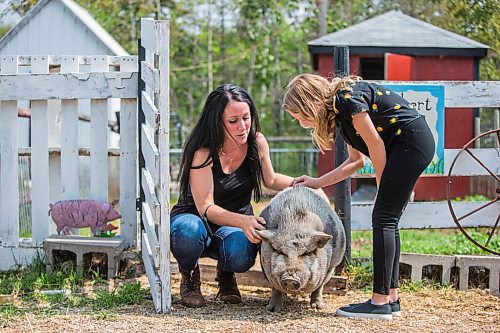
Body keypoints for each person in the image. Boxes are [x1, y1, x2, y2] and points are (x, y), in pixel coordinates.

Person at [283, 74, 435, 320]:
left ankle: (379, 302)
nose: (301, 122)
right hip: (408, 144)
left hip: (410, 142)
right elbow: (356, 162)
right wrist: (317, 182)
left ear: (309, 102)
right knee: (388, 220)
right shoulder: (342, 116)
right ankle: (391, 297)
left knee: (383, 218)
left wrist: (381, 186)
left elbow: (376, 144)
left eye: (299, 115)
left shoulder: (346, 98)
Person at [170, 83, 295, 308]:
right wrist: (244, 221)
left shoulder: (257, 143)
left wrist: (304, 184)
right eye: (233, 121)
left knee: (241, 253)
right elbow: (205, 207)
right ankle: (189, 277)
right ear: (217, 121)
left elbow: (272, 180)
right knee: (187, 232)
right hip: (196, 219)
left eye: (246, 118)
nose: (242, 126)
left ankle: (226, 273)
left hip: (232, 224)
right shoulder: (203, 153)